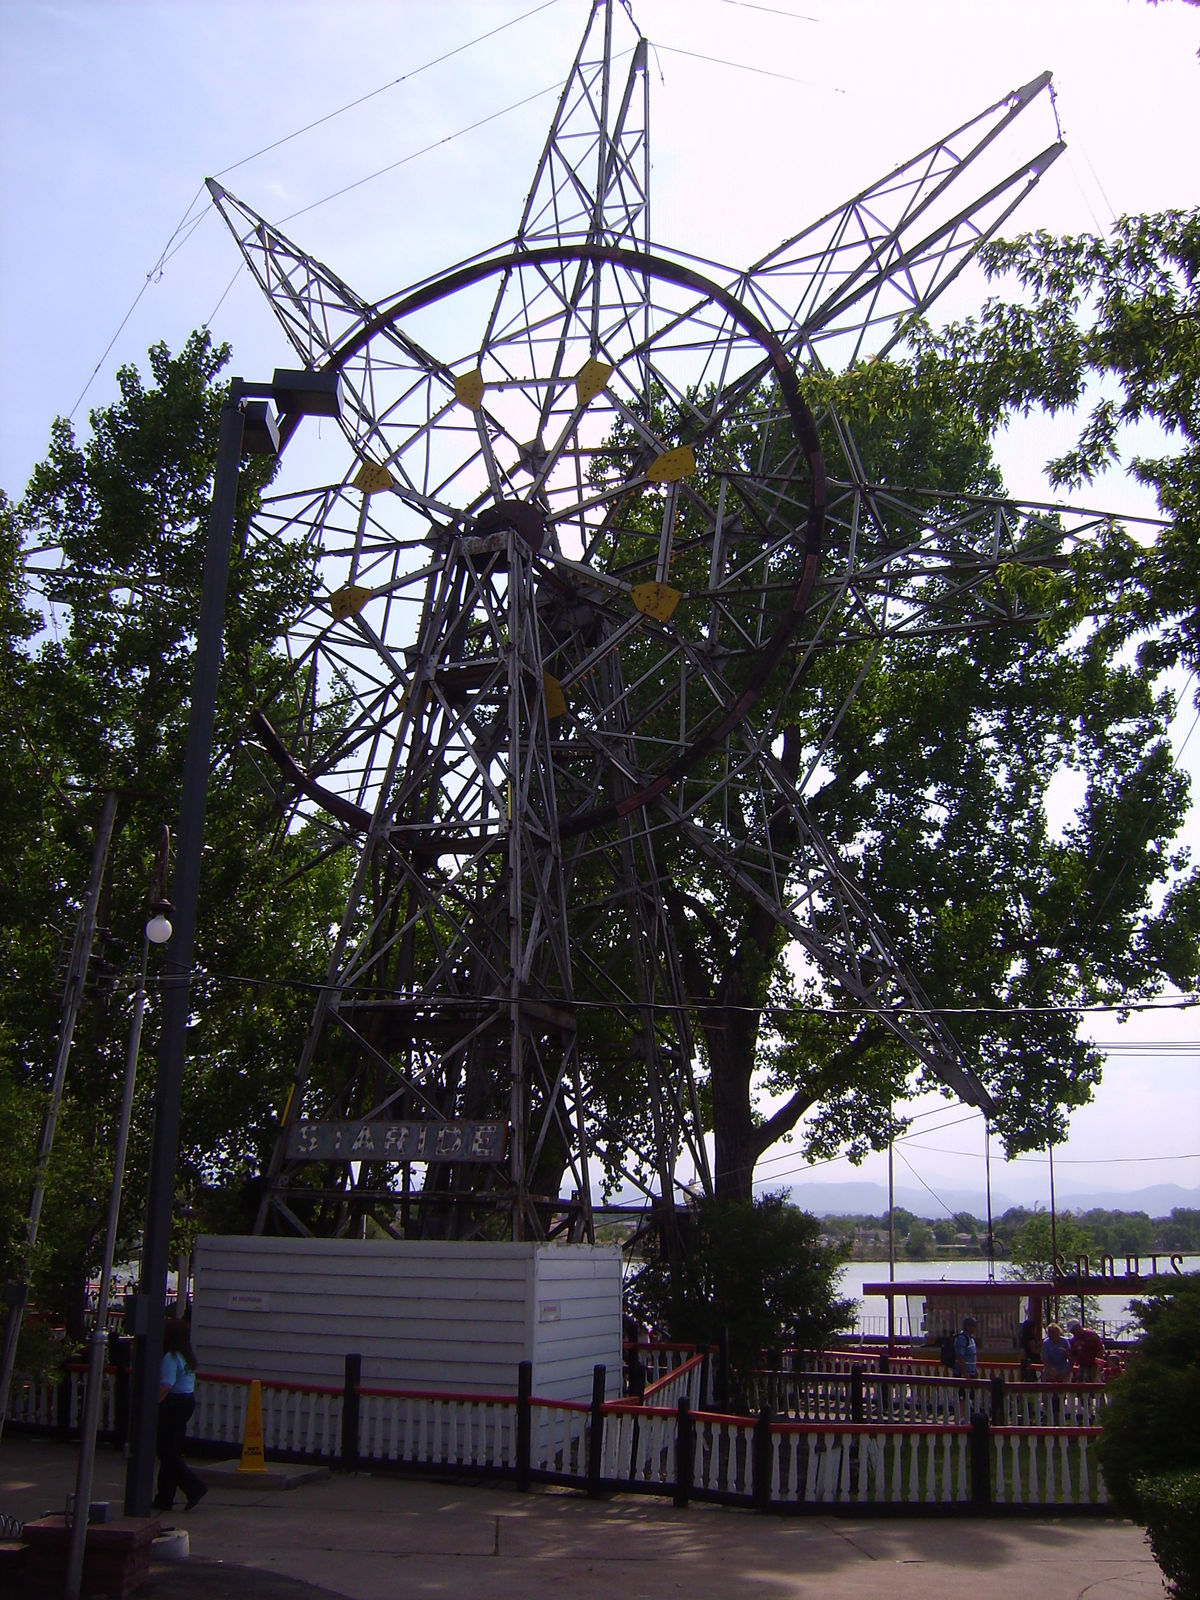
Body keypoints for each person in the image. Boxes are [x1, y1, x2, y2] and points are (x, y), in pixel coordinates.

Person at [153, 1317, 207, 1513]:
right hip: (186, 1401)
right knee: (171, 1450)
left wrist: (153, 1404)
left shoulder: (170, 1357)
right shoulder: (186, 1356)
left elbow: (166, 1385)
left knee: (166, 1451)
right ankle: (164, 1498)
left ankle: (194, 1486)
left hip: (173, 1404)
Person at [1067, 1318, 1105, 1382]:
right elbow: (1073, 1355)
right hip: (1082, 1366)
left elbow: (1100, 1348)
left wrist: (1098, 1364)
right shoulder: (1073, 1341)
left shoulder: (1091, 1335)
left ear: (1077, 1327)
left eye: (1073, 1330)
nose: (1073, 1333)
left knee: (1095, 1382)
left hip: (1094, 1365)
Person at [1018, 1309, 1043, 1380]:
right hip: (1032, 1359)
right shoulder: (1030, 1338)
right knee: (1032, 1376)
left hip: (1026, 1360)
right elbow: (1034, 1351)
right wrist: (1041, 1347)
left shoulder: (1023, 1337)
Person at [952, 1315, 978, 1380]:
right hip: (962, 1375)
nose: (975, 1328)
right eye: (973, 1325)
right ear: (967, 1327)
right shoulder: (962, 1339)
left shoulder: (971, 1338)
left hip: (971, 1373)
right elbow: (960, 1357)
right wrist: (965, 1374)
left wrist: (974, 1370)